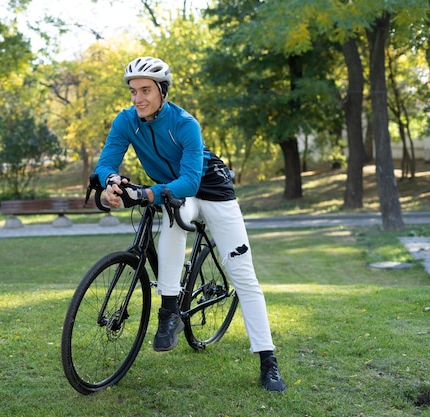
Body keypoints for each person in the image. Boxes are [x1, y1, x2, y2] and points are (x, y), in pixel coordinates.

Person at [94, 56, 286, 392]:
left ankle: (267, 360)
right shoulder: (126, 121)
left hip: (211, 190)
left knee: (243, 273)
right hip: (174, 194)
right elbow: (107, 160)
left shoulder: (184, 123)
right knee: (173, 217)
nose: (137, 98)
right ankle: (169, 313)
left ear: (162, 91)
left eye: (145, 90)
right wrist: (111, 181)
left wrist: (147, 192)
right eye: (133, 91)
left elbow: (191, 182)